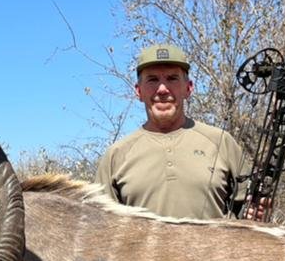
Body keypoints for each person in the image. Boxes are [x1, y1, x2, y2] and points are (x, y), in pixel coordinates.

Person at [95, 43, 254, 219]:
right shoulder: (116, 155)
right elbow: (101, 229)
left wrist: (256, 209)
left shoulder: (221, 141)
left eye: (172, 78)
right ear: (138, 91)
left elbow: (248, 212)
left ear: (188, 88)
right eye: (152, 79)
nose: (162, 89)